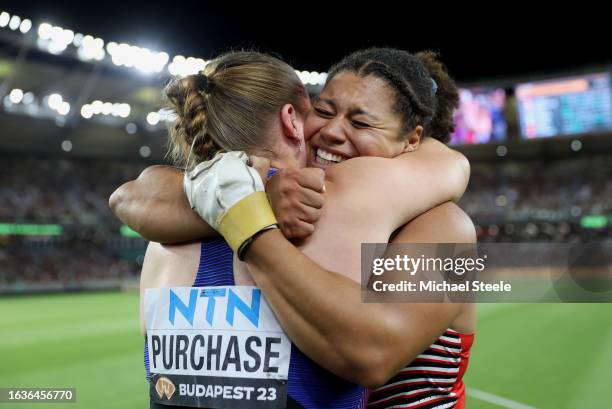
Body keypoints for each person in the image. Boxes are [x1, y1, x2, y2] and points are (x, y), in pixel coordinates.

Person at [111, 48, 475, 409]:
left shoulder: (448, 227)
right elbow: (138, 195)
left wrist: (247, 214)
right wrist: (255, 196)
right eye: (323, 111)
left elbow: (374, 355)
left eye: (361, 123)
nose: (332, 131)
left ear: (415, 141)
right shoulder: (299, 200)